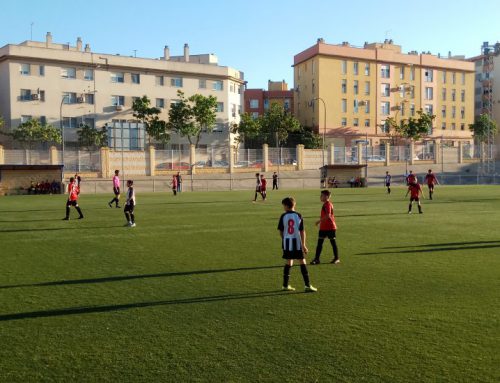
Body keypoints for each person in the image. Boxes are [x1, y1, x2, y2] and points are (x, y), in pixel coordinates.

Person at [277, 197, 317, 292]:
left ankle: (285, 285)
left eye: (283, 206)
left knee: (289, 262)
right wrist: (304, 244)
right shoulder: (298, 215)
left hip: (287, 243)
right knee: (302, 262)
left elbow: (281, 231)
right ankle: (307, 286)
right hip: (297, 242)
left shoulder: (283, 216)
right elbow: (302, 231)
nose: (283, 208)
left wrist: (284, 239)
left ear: (286, 206)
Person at [310, 190, 340, 265]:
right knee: (320, 243)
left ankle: (336, 258)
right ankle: (317, 259)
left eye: (322, 195)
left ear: (326, 196)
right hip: (324, 227)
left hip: (330, 227)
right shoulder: (326, 204)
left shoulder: (328, 204)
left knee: (332, 242)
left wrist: (319, 221)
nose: (320, 197)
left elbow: (328, 215)